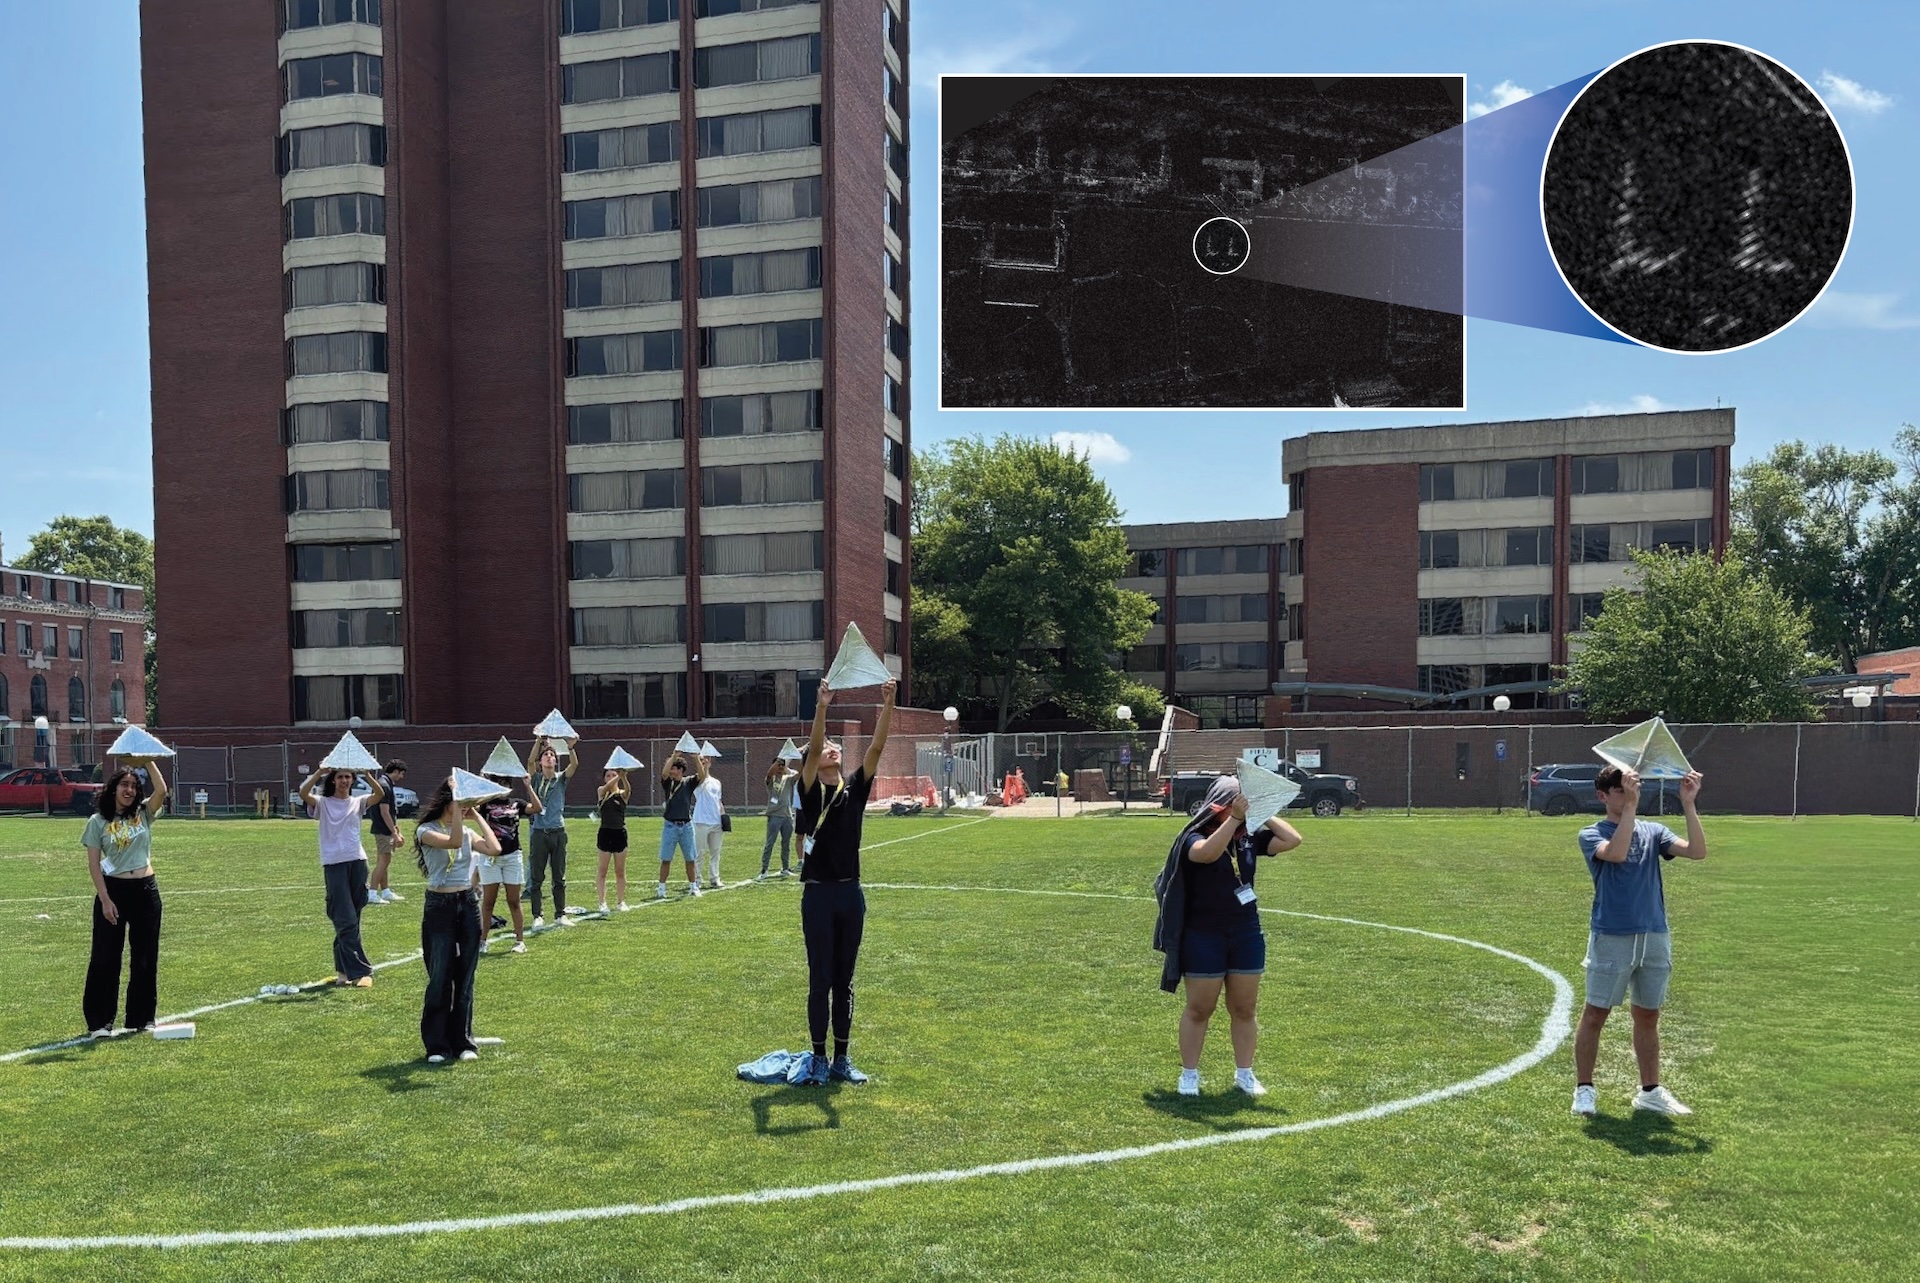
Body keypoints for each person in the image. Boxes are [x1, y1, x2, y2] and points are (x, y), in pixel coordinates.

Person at [1150, 775, 1303, 1097]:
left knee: (1245, 1008)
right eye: (1235, 800)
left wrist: (1261, 810)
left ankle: (1244, 1074)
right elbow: (1205, 854)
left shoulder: (1247, 836)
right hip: (1203, 934)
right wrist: (1233, 817)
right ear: (1219, 804)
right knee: (1199, 1008)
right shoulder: (1193, 836)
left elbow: (1292, 840)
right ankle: (1189, 1075)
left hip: (1246, 931)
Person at [1571, 765, 1707, 1118]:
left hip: (1654, 935)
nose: (1629, 794)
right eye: (1621, 790)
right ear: (1603, 796)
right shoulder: (1591, 833)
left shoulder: (1653, 831)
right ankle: (1584, 1089)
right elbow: (1615, 853)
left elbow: (1696, 851)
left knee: (1648, 1015)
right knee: (1595, 1013)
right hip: (1612, 935)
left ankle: (1650, 1091)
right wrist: (1630, 809)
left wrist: (1689, 805)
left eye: (1632, 788)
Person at [790, 677, 896, 1086]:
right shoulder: (810, 788)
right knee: (820, 980)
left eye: (836, 744)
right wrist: (822, 708)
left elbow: (876, 747)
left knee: (844, 981)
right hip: (817, 897)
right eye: (828, 747)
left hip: (851, 894)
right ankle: (817, 1058)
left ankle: (841, 1059)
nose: (834, 747)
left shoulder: (855, 788)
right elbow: (813, 748)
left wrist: (887, 703)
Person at [413, 775, 502, 1064]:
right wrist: (456, 799)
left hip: (467, 902)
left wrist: (475, 813)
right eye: (461, 804)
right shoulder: (425, 830)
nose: (464, 808)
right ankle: (437, 1045)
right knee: (440, 976)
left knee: (465, 975)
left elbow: (494, 848)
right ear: (448, 801)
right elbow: (451, 842)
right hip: (440, 905)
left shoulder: (465, 831)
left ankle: (463, 1040)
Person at [81, 758, 170, 1036]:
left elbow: (162, 791)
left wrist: (147, 761)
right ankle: (100, 1022)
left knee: (145, 957)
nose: (129, 790)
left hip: (145, 891)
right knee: (105, 958)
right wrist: (106, 900)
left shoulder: (143, 814)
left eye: (133, 785)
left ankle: (141, 1018)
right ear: (114, 788)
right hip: (114, 891)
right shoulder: (97, 822)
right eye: (124, 785)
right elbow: (94, 865)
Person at [297, 765, 384, 987]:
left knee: (352, 916)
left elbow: (380, 794)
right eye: (340, 777)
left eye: (348, 777)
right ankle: (361, 972)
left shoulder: (357, 802)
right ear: (333, 780)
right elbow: (303, 793)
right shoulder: (323, 803)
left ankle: (342, 972)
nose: (345, 781)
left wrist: (367, 775)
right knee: (345, 918)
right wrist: (319, 773)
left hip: (357, 861)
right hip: (334, 863)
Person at [476, 774, 538, 954]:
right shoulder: (486, 805)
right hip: (490, 857)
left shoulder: (516, 803)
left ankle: (519, 941)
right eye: (498, 784)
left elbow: (537, 808)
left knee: (514, 901)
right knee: (488, 902)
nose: (502, 788)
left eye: (505, 784)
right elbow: (469, 807)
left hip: (512, 857)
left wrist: (528, 786)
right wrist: (482, 786)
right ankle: (483, 941)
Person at [524, 735, 578, 927]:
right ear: (541, 761)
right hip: (539, 832)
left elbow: (574, 765)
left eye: (551, 755)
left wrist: (571, 748)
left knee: (559, 876)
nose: (548, 757)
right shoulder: (536, 778)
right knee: (536, 877)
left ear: (556, 761)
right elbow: (529, 761)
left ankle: (560, 915)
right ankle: (538, 916)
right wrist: (538, 741)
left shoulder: (561, 778)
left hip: (558, 832)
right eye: (545, 755)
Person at [656, 753, 701, 899]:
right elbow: (663, 773)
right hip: (670, 825)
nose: (670, 770)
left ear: (680, 769)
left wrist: (696, 759)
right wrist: (674, 755)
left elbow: (702, 775)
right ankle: (661, 888)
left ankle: (693, 887)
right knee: (666, 858)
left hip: (686, 825)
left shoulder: (688, 782)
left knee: (690, 858)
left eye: (673, 767)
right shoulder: (668, 783)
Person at [366, 759, 408, 905]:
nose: (401, 777)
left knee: (384, 860)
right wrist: (394, 833)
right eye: (401, 774)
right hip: (383, 829)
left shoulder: (384, 783)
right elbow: (384, 812)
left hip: (383, 828)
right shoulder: (384, 785)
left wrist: (396, 829)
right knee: (384, 860)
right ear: (395, 771)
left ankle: (385, 891)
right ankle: (371, 893)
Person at [595, 767, 632, 912]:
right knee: (603, 870)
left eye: (613, 775)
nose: (610, 777)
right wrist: (619, 776)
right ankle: (602, 902)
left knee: (620, 871)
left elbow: (628, 789)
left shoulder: (622, 794)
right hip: (605, 833)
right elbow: (606, 788)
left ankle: (620, 901)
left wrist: (624, 777)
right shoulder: (602, 792)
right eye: (608, 775)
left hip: (619, 834)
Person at [693, 748, 727, 889]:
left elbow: (718, 801)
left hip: (716, 822)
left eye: (706, 760)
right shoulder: (696, 781)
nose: (704, 762)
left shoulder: (716, 782)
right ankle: (696, 879)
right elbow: (701, 777)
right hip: (701, 821)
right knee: (699, 853)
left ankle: (714, 878)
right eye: (701, 761)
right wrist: (701, 766)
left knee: (715, 852)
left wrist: (723, 816)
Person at [760, 754, 797, 879]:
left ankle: (785, 868)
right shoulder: (771, 779)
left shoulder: (788, 779)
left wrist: (803, 757)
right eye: (778, 765)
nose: (780, 767)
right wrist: (778, 761)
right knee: (770, 842)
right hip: (774, 815)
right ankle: (764, 870)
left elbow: (801, 774)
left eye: (783, 765)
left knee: (786, 843)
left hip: (787, 815)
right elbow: (769, 773)